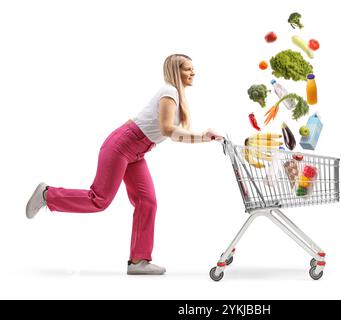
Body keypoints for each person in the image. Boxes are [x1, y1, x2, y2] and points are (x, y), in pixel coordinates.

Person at [25, 54, 223, 275]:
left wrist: (204, 137)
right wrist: (202, 136)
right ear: (175, 72)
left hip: (137, 151)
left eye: (193, 68)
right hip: (122, 145)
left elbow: (174, 135)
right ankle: (47, 194)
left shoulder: (177, 96)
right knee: (99, 200)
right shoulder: (170, 92)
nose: (193, 73)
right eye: (187, 69)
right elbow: (168, 130)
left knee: (147, 201)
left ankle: (138, 261)